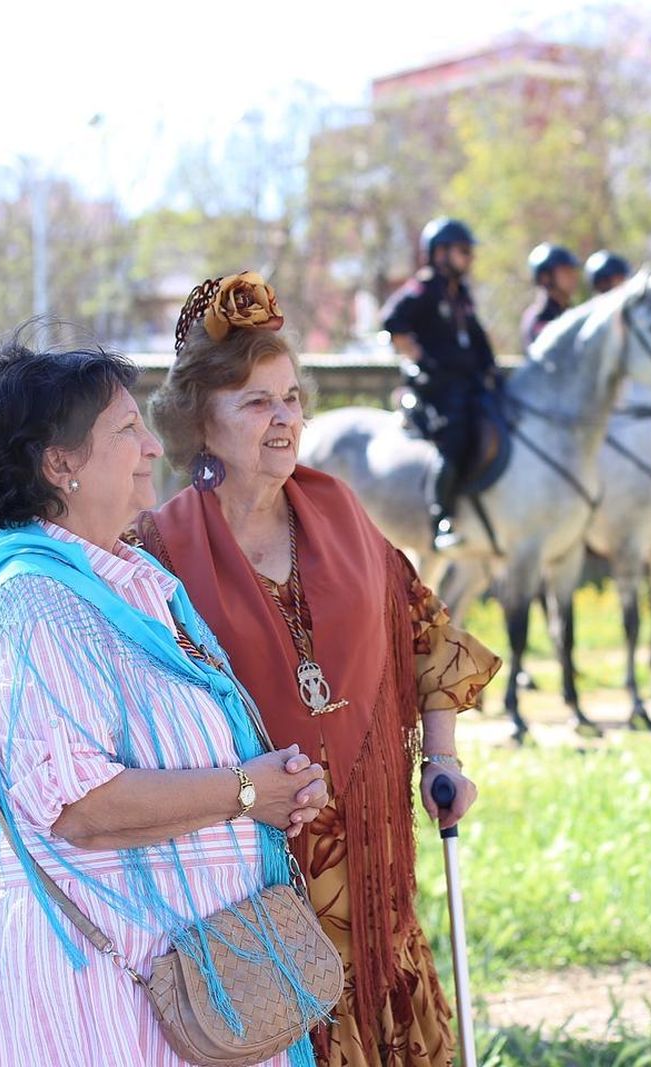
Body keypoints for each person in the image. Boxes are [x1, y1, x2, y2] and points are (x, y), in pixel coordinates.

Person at [140, 271, 502, 1067]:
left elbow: (425, 631)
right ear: (202, 423)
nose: (284, 419)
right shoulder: (155, 553)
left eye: (292, 397)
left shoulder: (338, 508)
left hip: (368, 882)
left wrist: (442, 760)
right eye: (256, 402)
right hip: (247, 884)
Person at [0, 331, 331, 1067]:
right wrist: (249, 792)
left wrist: (269, 784)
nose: (153, 447)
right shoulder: (31, 605)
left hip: (195, 976)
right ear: (60, 463)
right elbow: (80, 808)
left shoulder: (131, 584)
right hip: (108, 997)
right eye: (125, 429)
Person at [380, 217, 499, 550]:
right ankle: (441, 519)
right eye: (463, 251)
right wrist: (418, 358)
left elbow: (477, 340)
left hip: (469, 383)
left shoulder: (461, 294)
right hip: (438, 388)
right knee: (455, 437)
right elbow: (392, 322)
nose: (469, 258)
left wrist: (490, 370)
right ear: (441, 253)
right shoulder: (423, 289)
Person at [519, 242, 581, 350]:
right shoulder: (539, 319)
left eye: (573, 271)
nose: (573, 277)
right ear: (545, 277)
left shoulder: (570, 312)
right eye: (566, 271)